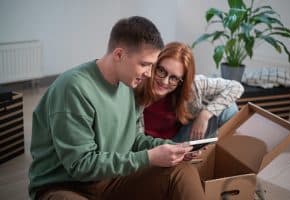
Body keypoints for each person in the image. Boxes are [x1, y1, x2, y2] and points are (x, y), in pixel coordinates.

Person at [29, 16, 206, 200]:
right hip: (64, 187)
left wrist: (171, 148)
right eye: (144, 64)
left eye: (152, 66)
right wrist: (149, 157)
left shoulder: (129, 84)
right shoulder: (73, 88)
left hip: (109, 180)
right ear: (119, 55)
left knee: (180, 171)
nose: (149, 73)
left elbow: (133, 139)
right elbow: (81, 166)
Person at [135, 42, 244, 142]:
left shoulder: (193, 85)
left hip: (177, 140)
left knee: (229, 109)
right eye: (161, 71)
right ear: (154, 65)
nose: (164, 81)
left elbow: (235, 87)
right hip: (146, 145)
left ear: (182, 81)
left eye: (174, 78)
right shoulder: (138, 82)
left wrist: (205, 115)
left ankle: (227, 155)